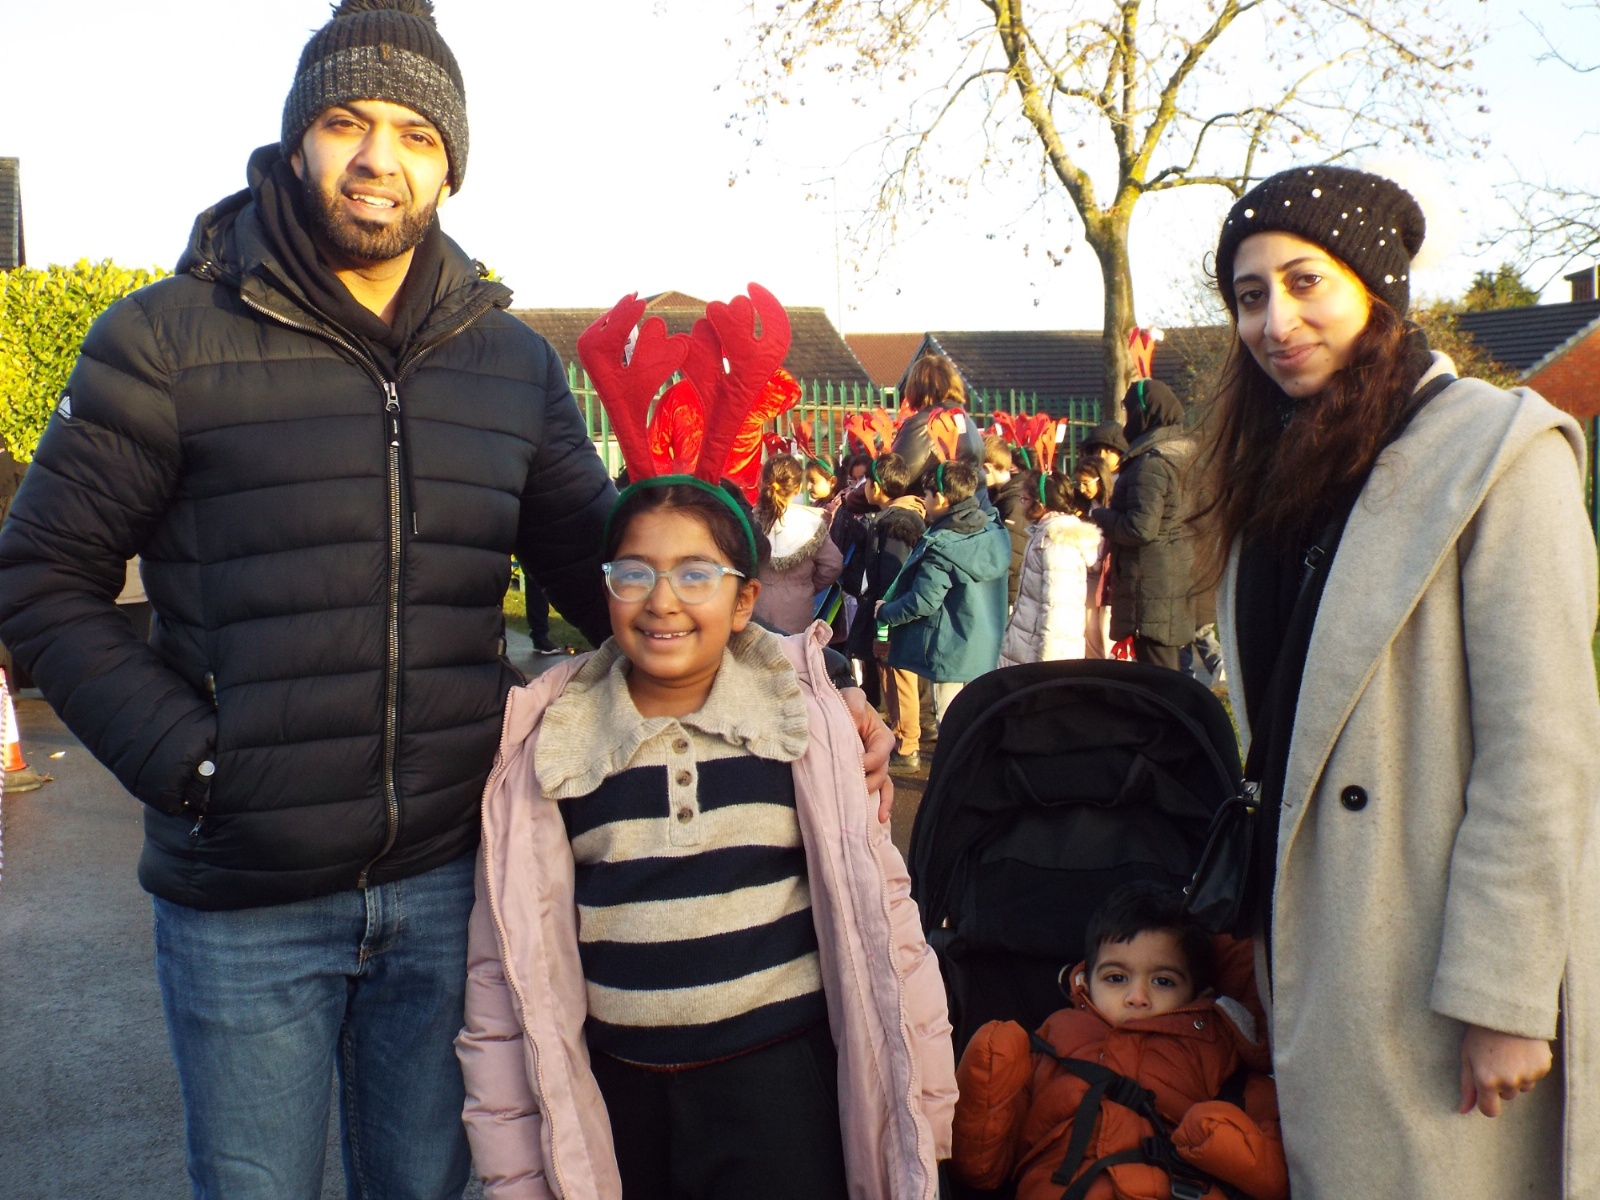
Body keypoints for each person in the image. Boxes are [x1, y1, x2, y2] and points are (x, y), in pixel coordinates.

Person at [0, 7, 896, 1195]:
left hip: (449, 879)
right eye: (346, 122)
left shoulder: (508, 362)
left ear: (451, 165)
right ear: (296, 139)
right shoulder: (166, 340)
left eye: (417, 135)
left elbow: (611, 578)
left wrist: (796, 678)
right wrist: (195, 766)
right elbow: (41, 578)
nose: (379, 158)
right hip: (246, 896)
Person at [1195, 164, 1600, 1197]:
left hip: (1436, 958)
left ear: (1376, 290)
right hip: (1325, 940)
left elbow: (1541, 746)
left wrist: (1505, 994)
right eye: (1249, 295)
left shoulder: (1498, 453)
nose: (1275, 322)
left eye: (1305, 283)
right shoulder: (1282, 469)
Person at [456, 476, 956, 1199]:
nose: (662, 600)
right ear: (607, 589)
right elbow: (502, 981)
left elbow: (890, 930)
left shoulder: (803, 731)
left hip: (779, 1095)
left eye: (695, 575)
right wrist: (514, 1173)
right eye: (635, 574)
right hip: (622, 1101)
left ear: (745, 599)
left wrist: (925, 1107)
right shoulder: (557, 746)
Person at [950, 883, 1288, 1200]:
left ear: (1198, 993)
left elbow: (1283, 1172)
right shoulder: (1053, 1037)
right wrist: (987, 1086)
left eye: (1163, 981)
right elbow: (982, 1170)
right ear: (1086, 981)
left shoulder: (1217, 1046)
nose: (1137, 997)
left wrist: (1228, 1146)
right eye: (1116, 978)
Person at [876, 460, 1010, 727]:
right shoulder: (993, 531)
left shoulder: (942, 546)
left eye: (926, 495)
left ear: (941, 498)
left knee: (951, 725)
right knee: (979, 724)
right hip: (986, 647)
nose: (923, 501)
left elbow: (923, 601)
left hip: (951, 651)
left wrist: (885, 612)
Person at [1090, 378, 1196, 669]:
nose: (1126, 421)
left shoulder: (1150, 462)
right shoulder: (1183, 453)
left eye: (1128, 412)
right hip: (1175, 575)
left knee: (1159, 674)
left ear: (1143, 414)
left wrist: (1101, 515)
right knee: (1170, 672)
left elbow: (1139, 528)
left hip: (1150, 583)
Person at [847, 453, 928, 771]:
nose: (863, 487)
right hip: (888, 611)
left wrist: (885, 620)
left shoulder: (897, 523)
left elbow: (894, 578)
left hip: (893, 613)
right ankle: (899, 735)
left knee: (899, 675)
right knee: (889, 672)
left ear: (877, 486)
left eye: (866, 481)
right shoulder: (893, 517)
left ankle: (908, 745)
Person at [998, 471, 1101, 666]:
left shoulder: (1058, 543)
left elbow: (1058, 609)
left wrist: (1048, 667)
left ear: (1040, 504)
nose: (1021, 504)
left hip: (1041, 656)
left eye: (1025, 499)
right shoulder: (1043, 534)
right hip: (1026, 646)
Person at [752, 453, 844, 634]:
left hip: (756, 609)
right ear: (798, 488)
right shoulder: (811, 523)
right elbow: (833, 564)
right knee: (794, 651)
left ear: (762, 483)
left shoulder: (748, 522)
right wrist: (807, 586)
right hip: (797, 611)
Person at [891, 354, 985, 483]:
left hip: (930, 494)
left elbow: (895, 477)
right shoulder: (965, 419)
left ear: (915, 388)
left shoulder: (922, 423)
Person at [1074, 455, 1116, 658]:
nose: (1083, 489)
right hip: (1088, 574)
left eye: (1086, 483)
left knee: (1107, 629)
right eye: (1079, 484)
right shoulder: (1081, 507)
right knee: (1089, 627)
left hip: (1109, 576)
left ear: (1100, 479)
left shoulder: (1114, 505)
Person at [984, 435, 1030, 608]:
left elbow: (1011, 554)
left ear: (988, 467)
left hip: (1010, 592)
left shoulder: (1014, 503)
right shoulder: (1001, 496)